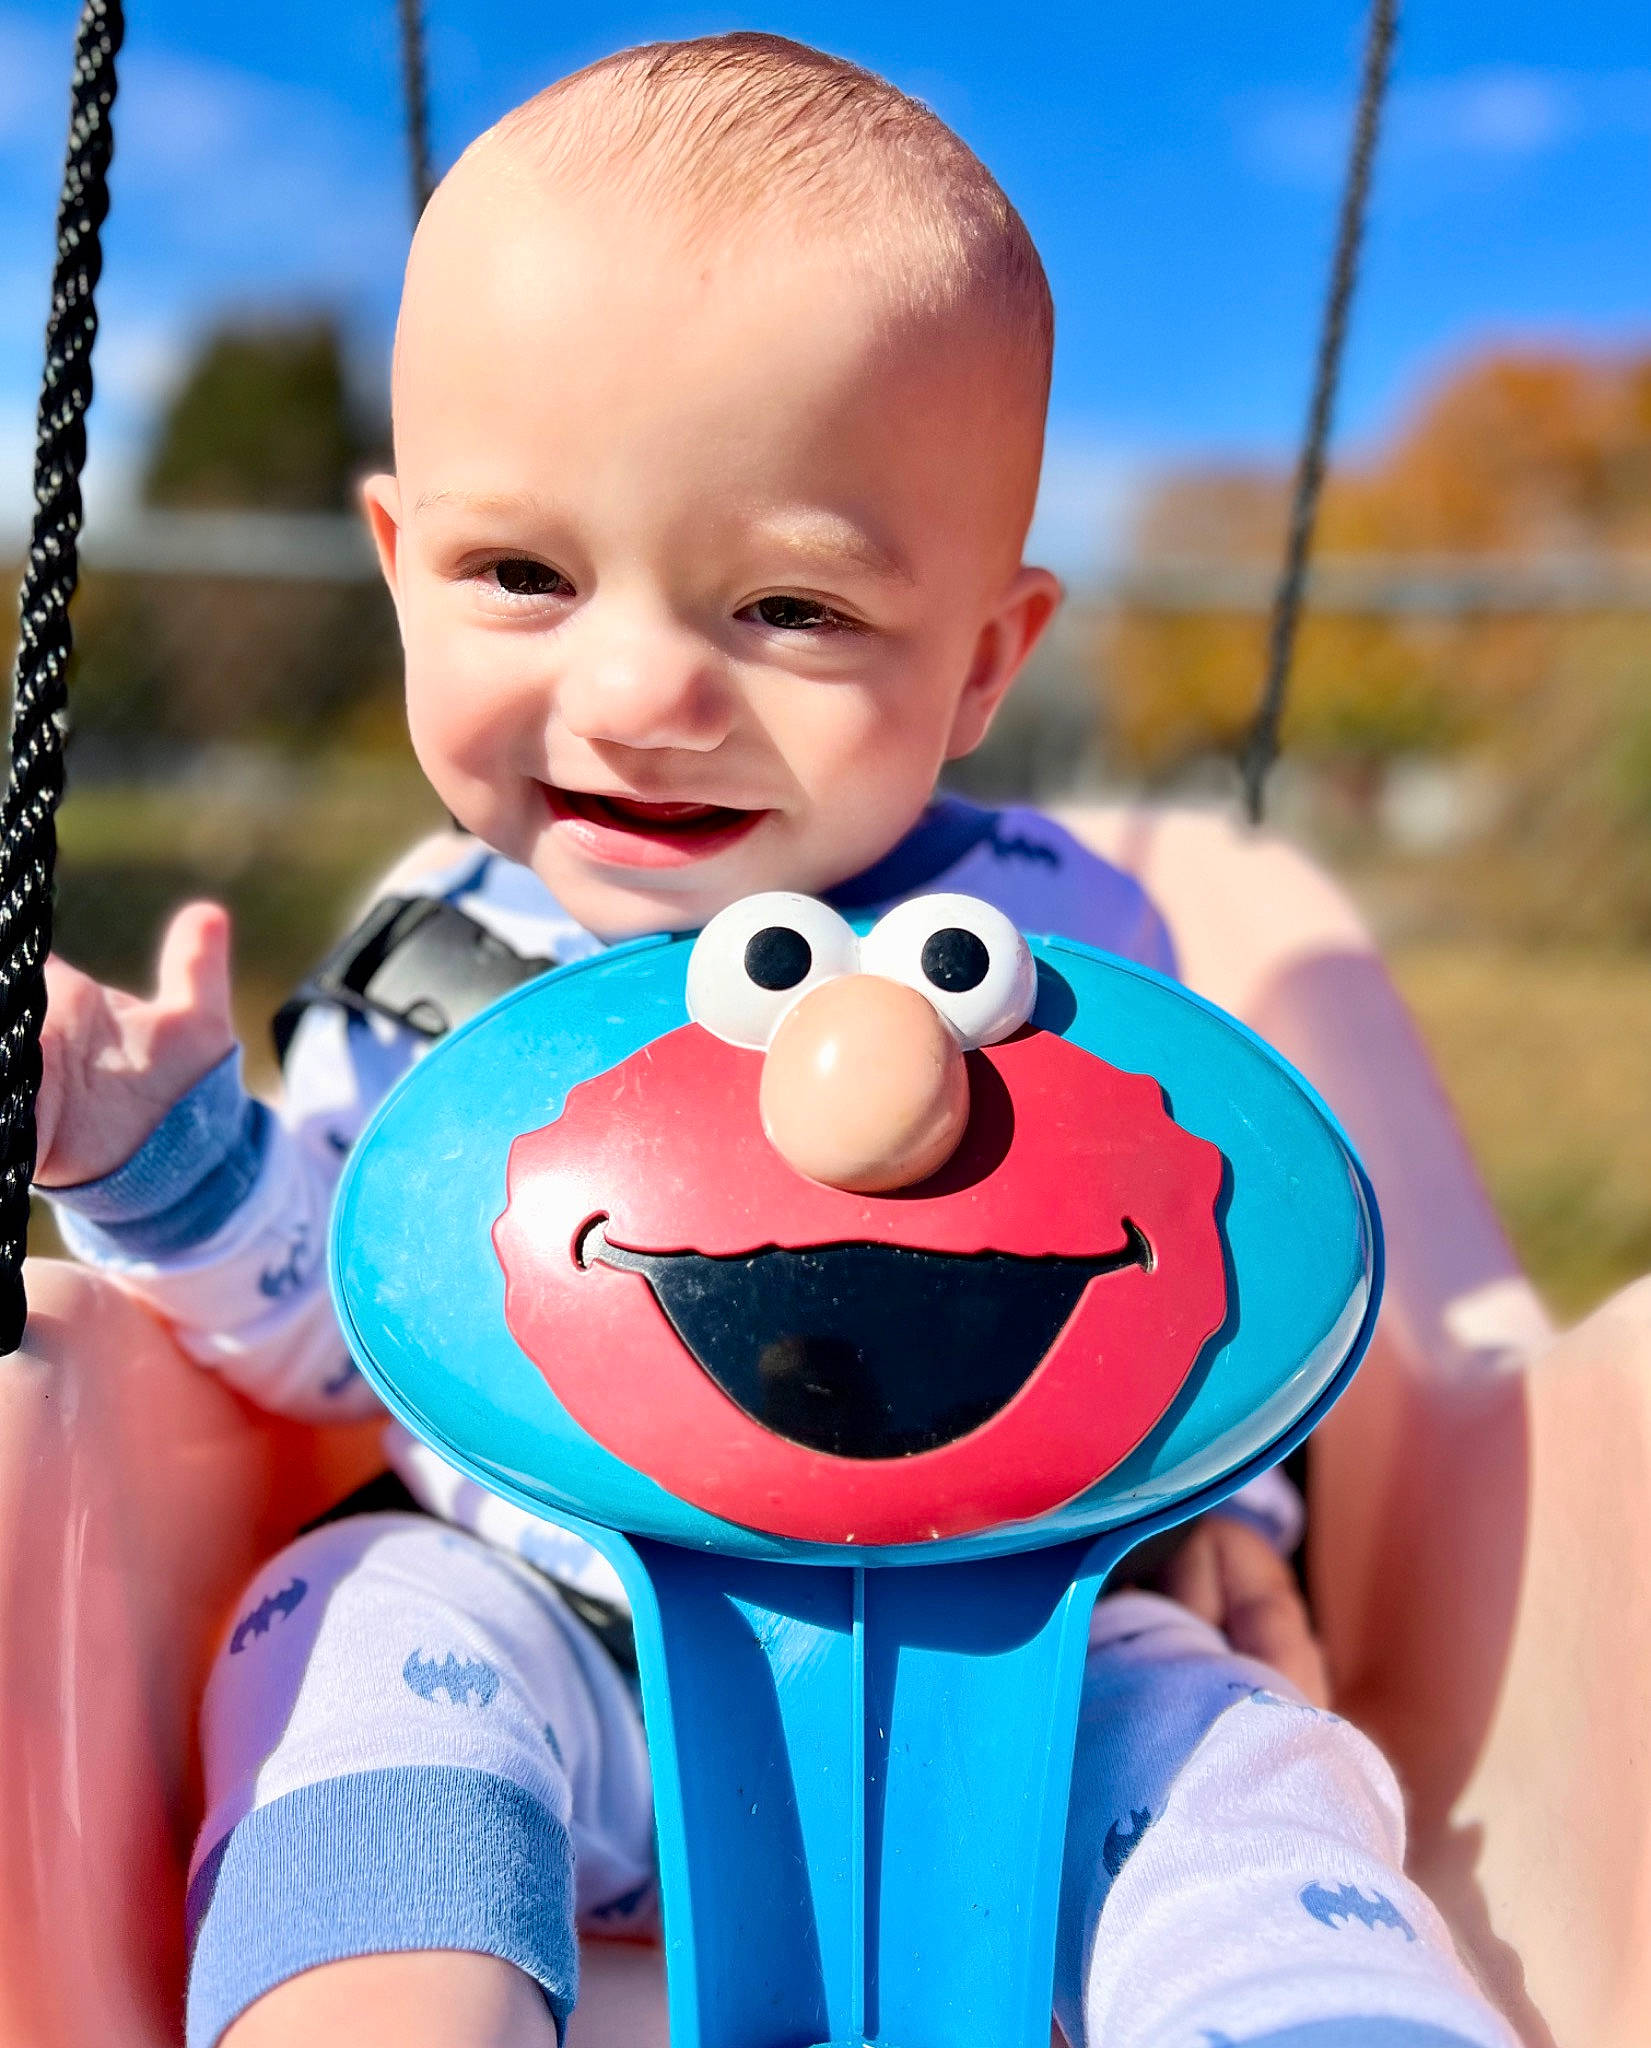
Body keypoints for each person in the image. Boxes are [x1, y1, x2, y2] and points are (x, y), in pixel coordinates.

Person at [32, 34, 1519, 2048]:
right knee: (341, 1630)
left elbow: (1195, 1290)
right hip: (538, 1629)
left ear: (987, 655)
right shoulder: (438, 964)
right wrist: (169, 1163)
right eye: (522, 575)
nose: (640, 691)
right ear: (398, 567)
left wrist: (1216, 1529)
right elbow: (350, 1321)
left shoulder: (1076, 952)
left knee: (1231, 1749)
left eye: (792, 612)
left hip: (1014, 1662)